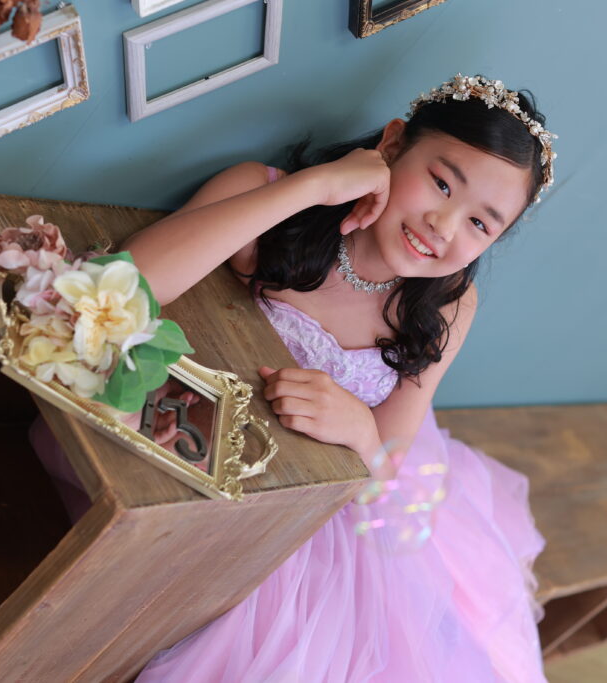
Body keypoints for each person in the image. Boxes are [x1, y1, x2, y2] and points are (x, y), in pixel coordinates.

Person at [39, 73, 555, 681]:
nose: (444, 225)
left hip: (317, 510)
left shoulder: (449, 302)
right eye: (442, 184)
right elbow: (122, 289)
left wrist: (360, 428)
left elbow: (389, 462)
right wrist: (314, 187)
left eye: (480, 225)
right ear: (393, 144)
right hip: (192, 453)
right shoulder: (269, 198)